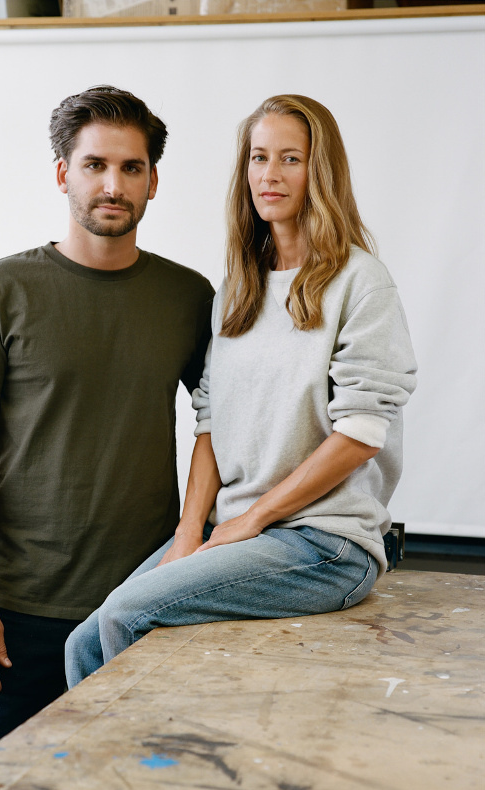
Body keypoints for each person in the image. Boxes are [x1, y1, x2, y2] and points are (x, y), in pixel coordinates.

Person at [65, 94, 418, 687]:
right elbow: (209, 424)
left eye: (290, 158)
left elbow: (360, 436)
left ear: (320, 173)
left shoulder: (361, 281)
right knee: (83, 642)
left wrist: (251, 520)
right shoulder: (238, 290)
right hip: (239, 532)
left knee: (127, 617)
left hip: (322, 543)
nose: (270, 174)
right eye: (259, 157)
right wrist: (188, 534)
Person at [0, 85, 214, 761]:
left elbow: (222, 424)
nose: (112, 184)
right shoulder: (2, 289)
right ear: (64, 173)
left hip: (143, 603)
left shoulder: (189, 296)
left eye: (130, 167)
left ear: (152, 182)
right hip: (16, 616)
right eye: (94, 164)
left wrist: (189, 540)